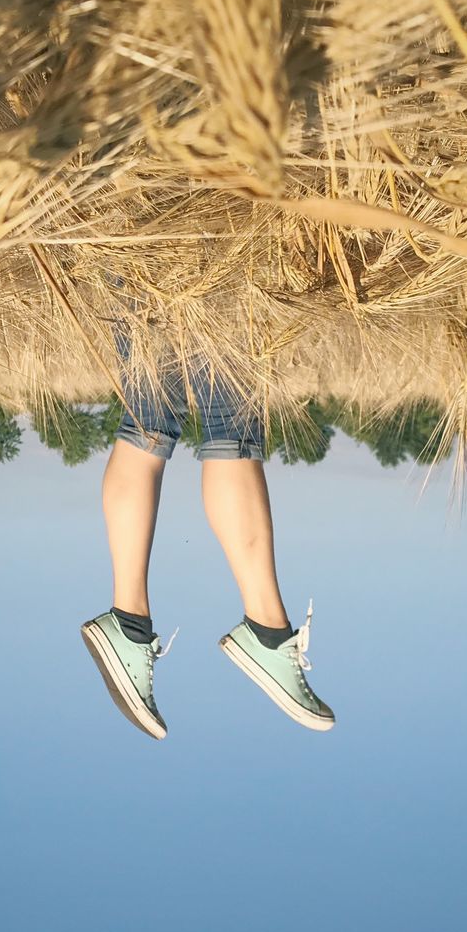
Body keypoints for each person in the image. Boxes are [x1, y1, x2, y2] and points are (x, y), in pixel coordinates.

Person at [80, 277, 334, 741]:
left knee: (155, 419)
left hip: (145, 245)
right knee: (210, 420)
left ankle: (137, 625)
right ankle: (253, 630)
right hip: (208, 251)